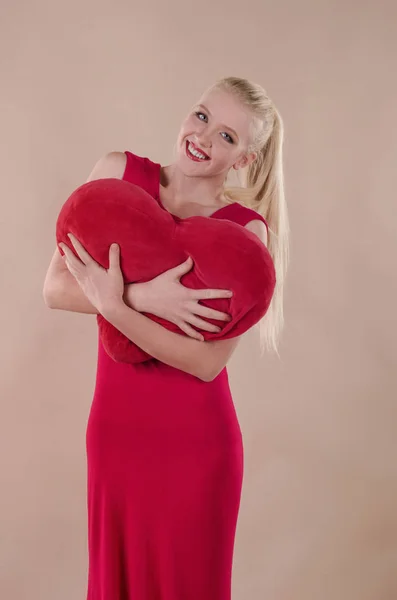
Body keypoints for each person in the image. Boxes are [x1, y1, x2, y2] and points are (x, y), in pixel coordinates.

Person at [43, 76, 290, 600]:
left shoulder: (245, 233)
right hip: (115, 433)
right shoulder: (116, 177)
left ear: (244, 160)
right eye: (202, 116)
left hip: (197, 448)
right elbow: (56, 287)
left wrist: (113, 302)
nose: (203, 136)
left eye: (227, 136)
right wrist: (141, 298)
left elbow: (206, 365)